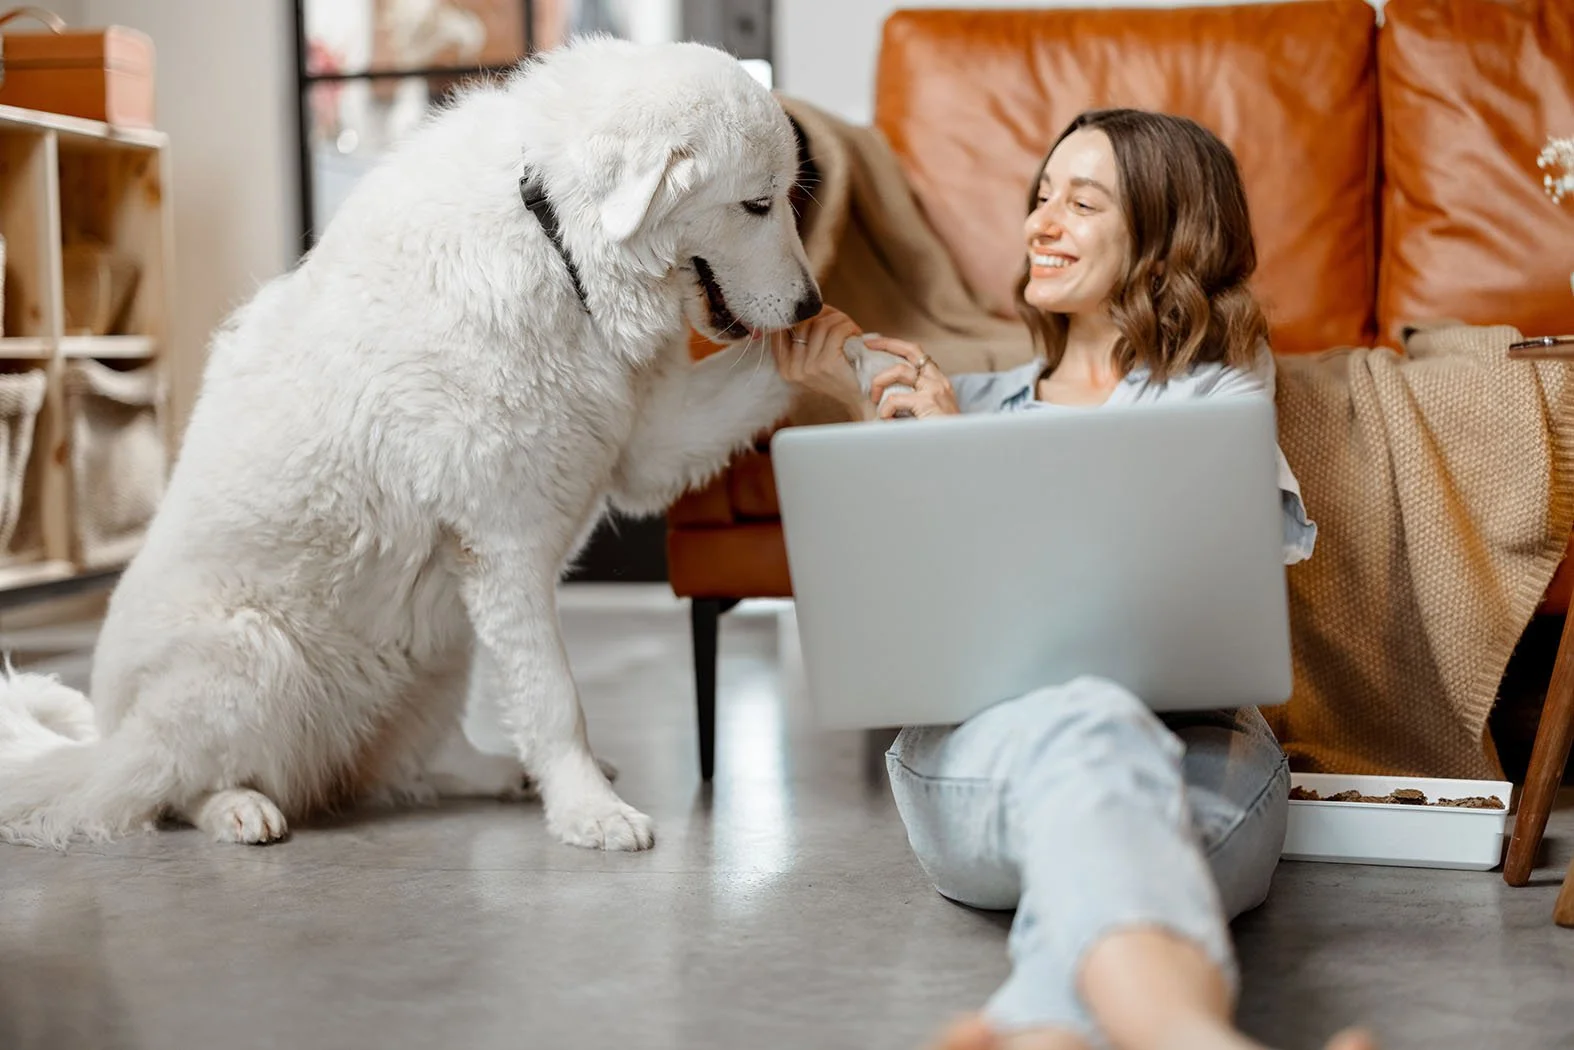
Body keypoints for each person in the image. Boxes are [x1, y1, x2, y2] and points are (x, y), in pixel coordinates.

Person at [770, 109, 1376, 1050]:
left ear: (1165, 236)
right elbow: (925, 630)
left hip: (1200, 765)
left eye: (1081, 202)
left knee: (1098, 856)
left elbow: (1190, 585)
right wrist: (905, 428)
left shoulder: (1214, 395)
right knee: (1092, 725)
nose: (1040, 224)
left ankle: (1043, 1030)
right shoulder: (959, 407)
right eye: (1040, 197)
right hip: (985, 766)